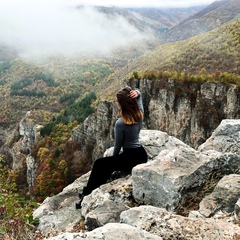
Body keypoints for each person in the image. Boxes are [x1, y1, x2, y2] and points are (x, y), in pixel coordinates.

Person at [76, 86, 148, 209]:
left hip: (130, 157)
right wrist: (137, 93)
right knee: (106, 166)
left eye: (117, 101)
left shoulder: (120, 123)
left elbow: (118, 145)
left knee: (100, 164)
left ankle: (86, 195)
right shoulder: (139, 114)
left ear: (122, 104)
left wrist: (113, 161)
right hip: (141, 154)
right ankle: (88, 189)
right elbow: (139, 97)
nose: (116, 103)